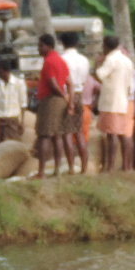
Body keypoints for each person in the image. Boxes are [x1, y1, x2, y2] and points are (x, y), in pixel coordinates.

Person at [94, 36, 135, 174]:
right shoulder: (127, 61)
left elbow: (99, 75)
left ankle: (110, 166)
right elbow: (131, 85)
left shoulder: (111, 59)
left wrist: (98, 63)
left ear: (105, 46)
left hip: (110, 102)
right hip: (123, 101)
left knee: (111, 134)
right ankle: (126, 165)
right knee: (121, 133)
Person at [33, 33, 73, 178]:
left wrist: (63, 96)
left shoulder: (49, 61)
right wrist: (69, 100)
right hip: (60, 101)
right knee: (58, 136)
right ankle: (57, 170)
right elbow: (69, 82)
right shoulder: (61, 61)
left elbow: (53, 83)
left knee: (45, 135)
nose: (38, 48)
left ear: (48, 46)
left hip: (51, 100)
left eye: (40, 45)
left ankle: (41, 171)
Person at [59, 32, 92, 174]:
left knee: (66, 133)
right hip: (80, 95)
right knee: (78, 132)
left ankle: (71, 167)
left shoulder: (62, 59)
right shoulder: (84, 60)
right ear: (77, 43)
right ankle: (84, 167)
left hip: (66, 96)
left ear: (62, 43)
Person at [0, 58, 27, 142]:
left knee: (14, 146)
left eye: (0, 72)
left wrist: (22, 121)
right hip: (0, 120)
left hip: (13, 120)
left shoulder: (19, 83)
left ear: (7, 71)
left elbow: (23, 103)